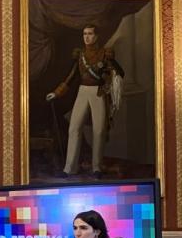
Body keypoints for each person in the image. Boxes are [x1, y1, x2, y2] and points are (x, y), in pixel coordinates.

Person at [46, 24, 125, 179]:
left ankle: (96, 168)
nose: (87, 37)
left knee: (99, 131)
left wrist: (109, 70)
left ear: (96, 36)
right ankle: (70, 168)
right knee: (74, 128)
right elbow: (72, 76)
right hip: (82, 91)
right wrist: (57, 93)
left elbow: (119, 73)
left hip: (98, 92)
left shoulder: (105, 53)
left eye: (90, 34)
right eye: (84, 34)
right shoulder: (80, 54)